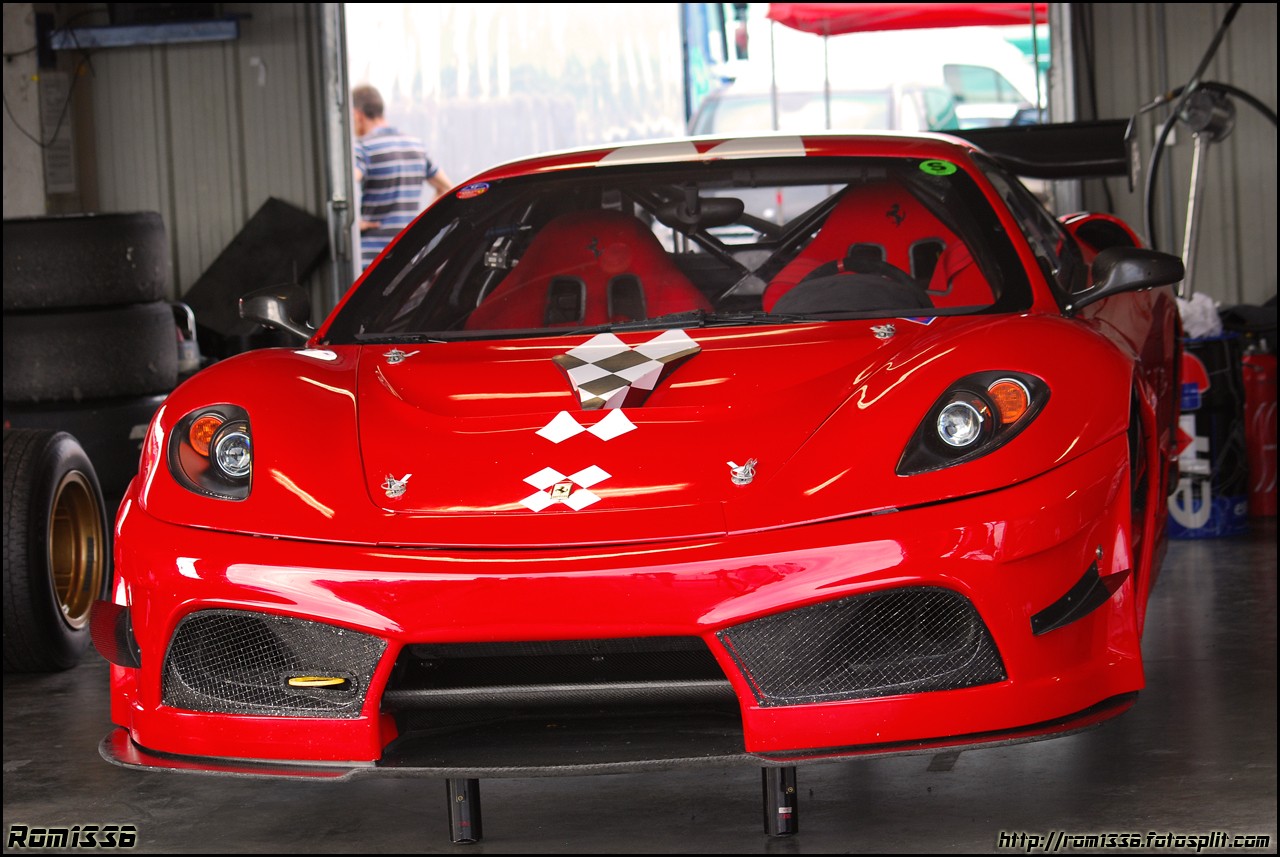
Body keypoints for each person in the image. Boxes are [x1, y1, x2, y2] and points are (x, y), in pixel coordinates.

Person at [351, 84, 452, 269]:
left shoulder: (364, 148)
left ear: (357, 115)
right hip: (408, 257)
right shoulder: (416, 146)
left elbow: (347, 185)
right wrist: (420, 223)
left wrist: (354, 224)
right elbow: (446, 188)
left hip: (373, 261)